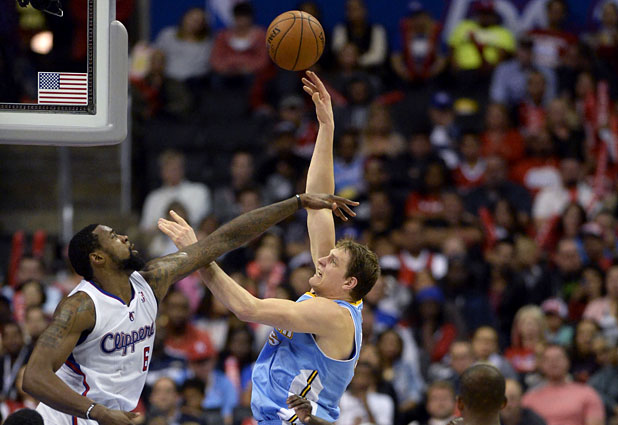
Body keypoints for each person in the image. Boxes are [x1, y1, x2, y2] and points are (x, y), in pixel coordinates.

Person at [22, 188, 356, 424]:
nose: (123, 237)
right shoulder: (81, 306)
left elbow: (224, 240)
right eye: (113, 237)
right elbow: (34, 377)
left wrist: (296, 202)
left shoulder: (152, 280)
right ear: (97, 258)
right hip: (67, 418)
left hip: (111, 417)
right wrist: (97, 411)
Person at [158, 71, 380, 425]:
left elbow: (247, 308)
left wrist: (197, 253)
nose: (322, 259)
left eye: (333, 261)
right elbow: (319, 206)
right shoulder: (333, 294)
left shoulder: (335, 317)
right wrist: (326, 126)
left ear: (349, 282)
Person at [521, 345, 605, 425]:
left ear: (568, 361)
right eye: (548, 359)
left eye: (558, 358)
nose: (553, 362)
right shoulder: (529, 398)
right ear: (541, 364)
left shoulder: (587, 393)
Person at [140, 149, 212, 232]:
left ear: (182, 169)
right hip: (161, 239)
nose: (173, 172)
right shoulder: (153, 198)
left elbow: (206, 224)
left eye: (175, 168)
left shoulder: (199, 191)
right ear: (162, 171)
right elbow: (146, 228)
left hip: (193, 237)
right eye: (169, 168)